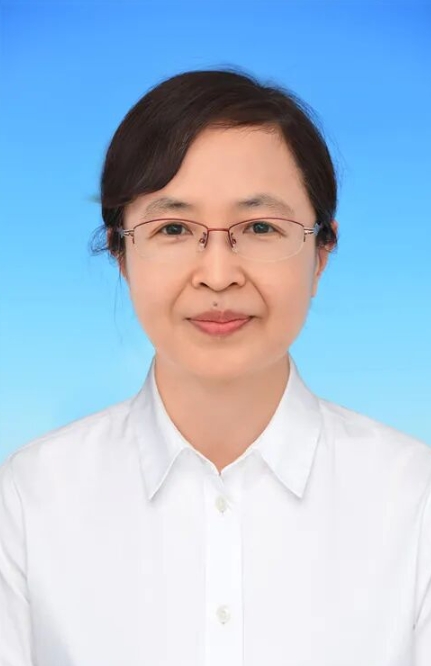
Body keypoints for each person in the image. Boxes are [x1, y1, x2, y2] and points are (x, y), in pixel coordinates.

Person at [0, 67, 430, 666]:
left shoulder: (414, 501)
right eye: (174, 228)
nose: (219, 275)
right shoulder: (29, 499)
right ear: (121, 253)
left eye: (260, 227)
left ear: (321, 253)